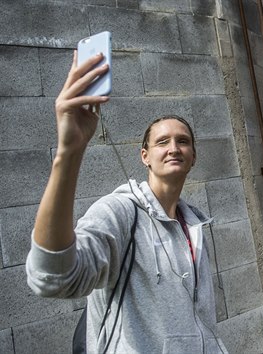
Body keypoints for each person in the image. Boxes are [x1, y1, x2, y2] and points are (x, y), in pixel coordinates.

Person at [25, 51, 228, 353]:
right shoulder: (120, 211)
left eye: (182, 141)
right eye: (162, 142)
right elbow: (53, 278)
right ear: (145, 156)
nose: (173, 148)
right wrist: (69, 151)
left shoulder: (195, 225)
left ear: (193, 156)